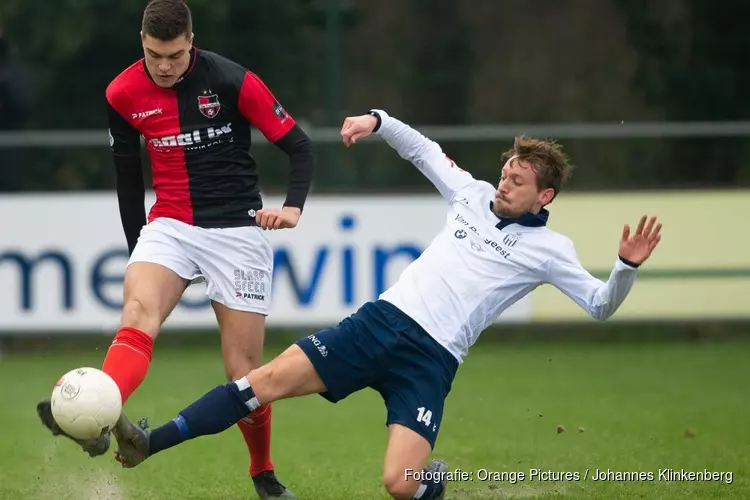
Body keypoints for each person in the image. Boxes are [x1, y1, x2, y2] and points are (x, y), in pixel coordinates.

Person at [109, 109, 662, 500]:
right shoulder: (470, 194)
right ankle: (149, 443)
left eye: (516, 181)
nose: (502, 184)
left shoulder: (551, 250)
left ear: (545, 196)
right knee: (262, 382)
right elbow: (422, 151)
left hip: (431, 362)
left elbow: (598, 305)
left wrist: (624, 268)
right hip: (379, 324)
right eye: (504, 173)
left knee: (400, 484)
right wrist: (378, 121)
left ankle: (432, 482)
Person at [35, 1, 312, 498]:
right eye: (153, 55)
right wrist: (136, 245)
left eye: (175, 56)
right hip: (171, 226)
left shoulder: (232, 80)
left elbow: (299, 146)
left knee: (244, 374)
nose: (164, 67)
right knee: (138, 314)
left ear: (192, 42)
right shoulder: (121, 92)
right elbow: (126, 176)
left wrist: (292, 207)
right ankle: (96, 415)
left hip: (237, 230)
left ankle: (262, 473)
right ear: (142, 41)